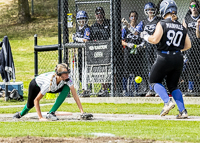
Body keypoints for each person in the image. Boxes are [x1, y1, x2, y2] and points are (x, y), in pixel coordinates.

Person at [140, 0, 191, 118]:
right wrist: (175, 49)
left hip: (164, 57)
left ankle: (167, 102)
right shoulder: (181, 25)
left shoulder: (162, 23)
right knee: (173, 86)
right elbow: (188, 45)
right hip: (178, 58)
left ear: (164, 10)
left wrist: (145, 36)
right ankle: (183, 111)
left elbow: (155, 40)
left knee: (153, 80)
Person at [13, 63, 87, 121]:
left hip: (54, 87)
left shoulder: (68, 79)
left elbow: (75, 95)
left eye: (68, 73)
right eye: (65, 74)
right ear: (59, 75)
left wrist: (82, 112)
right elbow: (37, 100)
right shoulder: (48, 82)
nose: (68, 76)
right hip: (36, 85)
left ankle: (51, 113)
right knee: (30, 105)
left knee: (67, 88)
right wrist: (40, 118)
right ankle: (20, 114)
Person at [135, 2, 162, 97]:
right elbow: (136, 32)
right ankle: (151, 89)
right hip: (148, 47)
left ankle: (159, 89)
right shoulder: (143, 22)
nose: (150, 11)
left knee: (158, 67)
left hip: (157, 46)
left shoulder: (159, 20)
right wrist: (128, 25)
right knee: (149, 68)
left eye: (152, 9)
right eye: (148, 10)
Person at [121, 11, 143, 96]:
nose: (133, 18)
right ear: (129, 18)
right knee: (126, 71)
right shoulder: (125, 29)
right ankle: (124, 89)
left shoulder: (139, 28)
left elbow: (142, 39)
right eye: (131, 16)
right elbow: (121, 41)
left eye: (135, 17)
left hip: (137, 52)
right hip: (128, 51)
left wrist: (139, 45)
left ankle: (136, 90)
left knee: (137, 71)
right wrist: (127, 44)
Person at [91, 7, 111, 97]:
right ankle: (104, 88)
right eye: (97, 13)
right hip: (98, 51)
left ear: (104, 14)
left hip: (108, 50)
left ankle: (111, 88)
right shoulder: (93, 27)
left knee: (109, 69)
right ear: (95, 15)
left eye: (101, 13)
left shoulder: (109, 23)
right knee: (101, 70)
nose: (99, 15)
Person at [182, 0, 200, 96]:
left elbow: (198, 36)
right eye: (191, 6)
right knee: (189, 66)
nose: (193, 7)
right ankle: (190, 88)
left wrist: (197, 26)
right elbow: (183, 32)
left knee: (197, 67)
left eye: (195, 5)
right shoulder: (187, 18)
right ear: (189, 8)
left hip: (198, 44)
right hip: (190, 47)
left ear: (198, 7)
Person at [72, 11, 92, 94]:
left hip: (86, 53)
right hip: (79, 52)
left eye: (83, 19)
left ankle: (86, 87)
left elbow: (86, 40)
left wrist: (76, 39)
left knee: (85, 70)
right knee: (79, 70)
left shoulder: (87, 28)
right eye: (80, 19)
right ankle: (82, 87)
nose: (82, 21)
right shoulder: (78, 29)